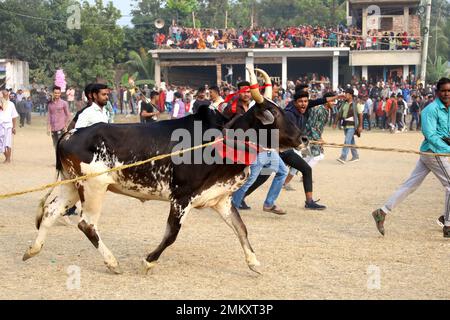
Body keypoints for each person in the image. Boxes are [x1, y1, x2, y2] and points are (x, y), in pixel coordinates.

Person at [371, 78, 450, 238]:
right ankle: (448, 224)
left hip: (437, 152)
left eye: (449, 91)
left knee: (410, 185)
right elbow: (431, 135)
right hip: (433, 152)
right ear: (437, 92)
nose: (447, 93)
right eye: (443, 90)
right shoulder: (431, 109)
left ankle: (382, 211)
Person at [222, 80, 288, 215]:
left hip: (267, 147)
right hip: (253, 149)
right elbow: (225, 128)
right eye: (243, 92)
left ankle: (269, 203)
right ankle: (232, 206)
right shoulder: (237, 108)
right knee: (249, 179)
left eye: (248, 91)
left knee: (282, 171)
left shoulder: (262, 106)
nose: (246, 94)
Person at [334, 88, 363, 163]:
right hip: (345, 125)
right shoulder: (344, 103)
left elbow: (360, 115)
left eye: (346, 94)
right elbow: (339, 113)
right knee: (351, 141)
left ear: (350, 95)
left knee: (347, 140)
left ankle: (343, 157)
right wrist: (335, 122)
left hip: (353, 126)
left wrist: (360, 126)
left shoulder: (356, 104)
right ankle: (355, 156)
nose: (345, 95)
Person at [0, 90, 18, 163]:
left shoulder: (11, 104)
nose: (5, 96)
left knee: (8, 143)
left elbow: (14, 117)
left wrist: (14, 127)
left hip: (8, 126)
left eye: (6, 95)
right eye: (3, 95)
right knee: (1, 144)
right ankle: (6, 157)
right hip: (0, 125)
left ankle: (8, 159)